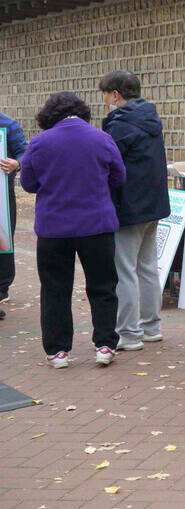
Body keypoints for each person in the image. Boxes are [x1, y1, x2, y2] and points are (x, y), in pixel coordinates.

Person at [20, 92, 126, 368]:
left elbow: (28, 183)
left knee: (54, 289)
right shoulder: (102, 138)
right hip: (96, 224)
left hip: (53, 227)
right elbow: (119, 176)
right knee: (103, 285)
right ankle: (105, 344)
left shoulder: (39, 142)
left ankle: (58, 351)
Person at [99, 71, 170, 351]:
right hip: (153, 204)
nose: (105, 101)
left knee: (124, 270)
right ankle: (151, 326)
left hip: (128, 206)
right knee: (147, 267)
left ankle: (128, 333)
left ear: (115, 95)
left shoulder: (120, 126)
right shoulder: (149, 118)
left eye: (105, 95)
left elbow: (107, 166)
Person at [0, 110, 27, 318]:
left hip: (2, 194)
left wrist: (17, 163)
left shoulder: (8, 124)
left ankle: (2, 286)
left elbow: (25, 152)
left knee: (3, 240)